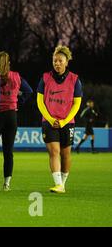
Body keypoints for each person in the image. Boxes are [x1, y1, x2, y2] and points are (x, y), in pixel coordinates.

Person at [37, 45, 82, 194]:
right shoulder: (45, 78)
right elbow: (39, 101)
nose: (57, 63)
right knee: (54, 152)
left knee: (66, 154)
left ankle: (62, 183)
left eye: (60, 61)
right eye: (55, 61)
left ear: (66, 62)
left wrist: (64, 121)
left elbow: (77, 104)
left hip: (67, 122)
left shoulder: (75, 80)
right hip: (49, 122)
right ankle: (58, 184)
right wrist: (50, 119)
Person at [0, 52, 33, 191]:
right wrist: (17, 101)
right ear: (9, 63)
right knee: (8, 152)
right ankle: (6, 184)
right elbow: (29, 91)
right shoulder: (16, 76)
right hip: (11, 115)